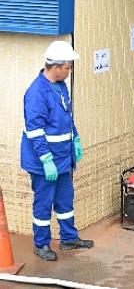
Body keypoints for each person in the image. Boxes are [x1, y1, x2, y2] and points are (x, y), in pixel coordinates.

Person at [21, 40, 94, 261]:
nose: (69, 71)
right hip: (45, 162)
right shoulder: (36, 93)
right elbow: (34, 130)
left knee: (65, 200)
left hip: (62, 157)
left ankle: (69, 238)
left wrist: (76, 138)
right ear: (56, 66)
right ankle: (41, 244)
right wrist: (45, 159)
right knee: (43, 204)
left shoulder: (60, 86)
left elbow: (66, 117)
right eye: (68, 67)